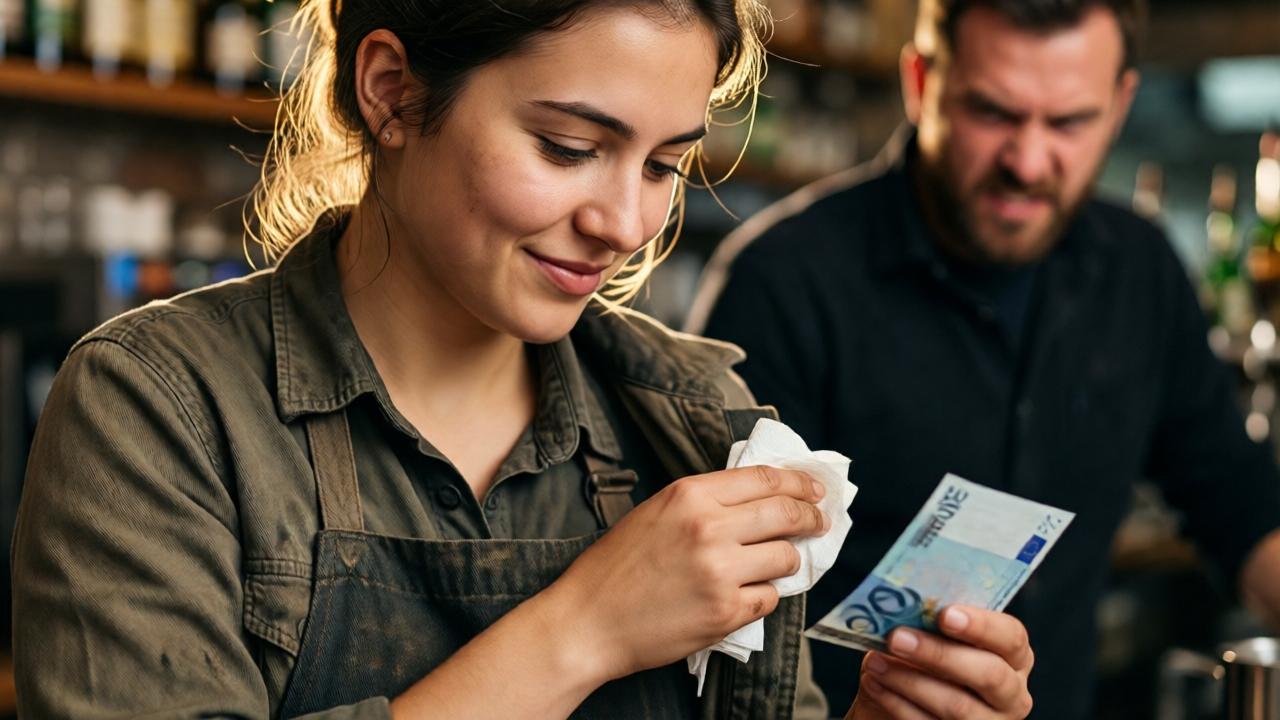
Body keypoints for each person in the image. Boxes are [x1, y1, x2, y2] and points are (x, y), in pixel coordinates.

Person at [12, 1, 1036, 718]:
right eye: (567, 146)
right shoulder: (160, 407)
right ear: (392, 93)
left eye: (665, 164)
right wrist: (584, 628)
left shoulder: (695, 418)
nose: (625, 220)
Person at [690, 0, 1280, 717]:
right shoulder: (782, 282)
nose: (1028, 162)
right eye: (993, 113)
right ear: (921, 81)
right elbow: (712, 619)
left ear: (1122, 103)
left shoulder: (1141, 272)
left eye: (1069, 122)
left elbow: (1238, 501)